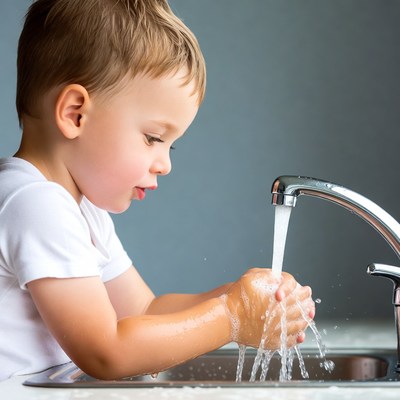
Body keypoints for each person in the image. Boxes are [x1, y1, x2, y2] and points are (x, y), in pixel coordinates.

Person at [0, 0, 315, 381]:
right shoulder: (36, 204)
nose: (165, 164)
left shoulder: (80, 209)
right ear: (74, 114)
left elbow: (142, 311)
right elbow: (107, 351)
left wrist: (240, 297)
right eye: (153, 138)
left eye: (170, 145)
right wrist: (232, 316)